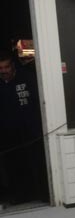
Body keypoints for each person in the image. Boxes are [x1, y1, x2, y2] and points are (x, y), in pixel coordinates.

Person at [0, 49, 48, 204]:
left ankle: (44, 193)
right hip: (8, 134)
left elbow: (39, 101)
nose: (4, 71)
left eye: (6, 67)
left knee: (37, 162)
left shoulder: (27, 78)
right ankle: (20, 196)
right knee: (14, 166)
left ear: (13, 66)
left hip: (31, 130)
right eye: (1, 68)